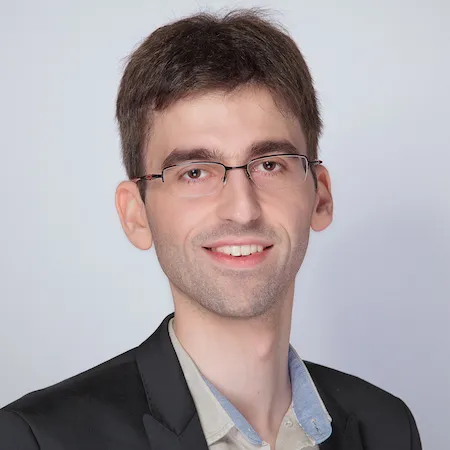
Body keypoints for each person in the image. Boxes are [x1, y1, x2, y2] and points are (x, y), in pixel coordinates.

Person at [0, 9, 421, 450]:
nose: (242, 210)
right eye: (195, 172)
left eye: (270, 165)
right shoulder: (39, 439)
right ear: (136, 214)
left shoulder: (387, 428)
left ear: (321, 196)